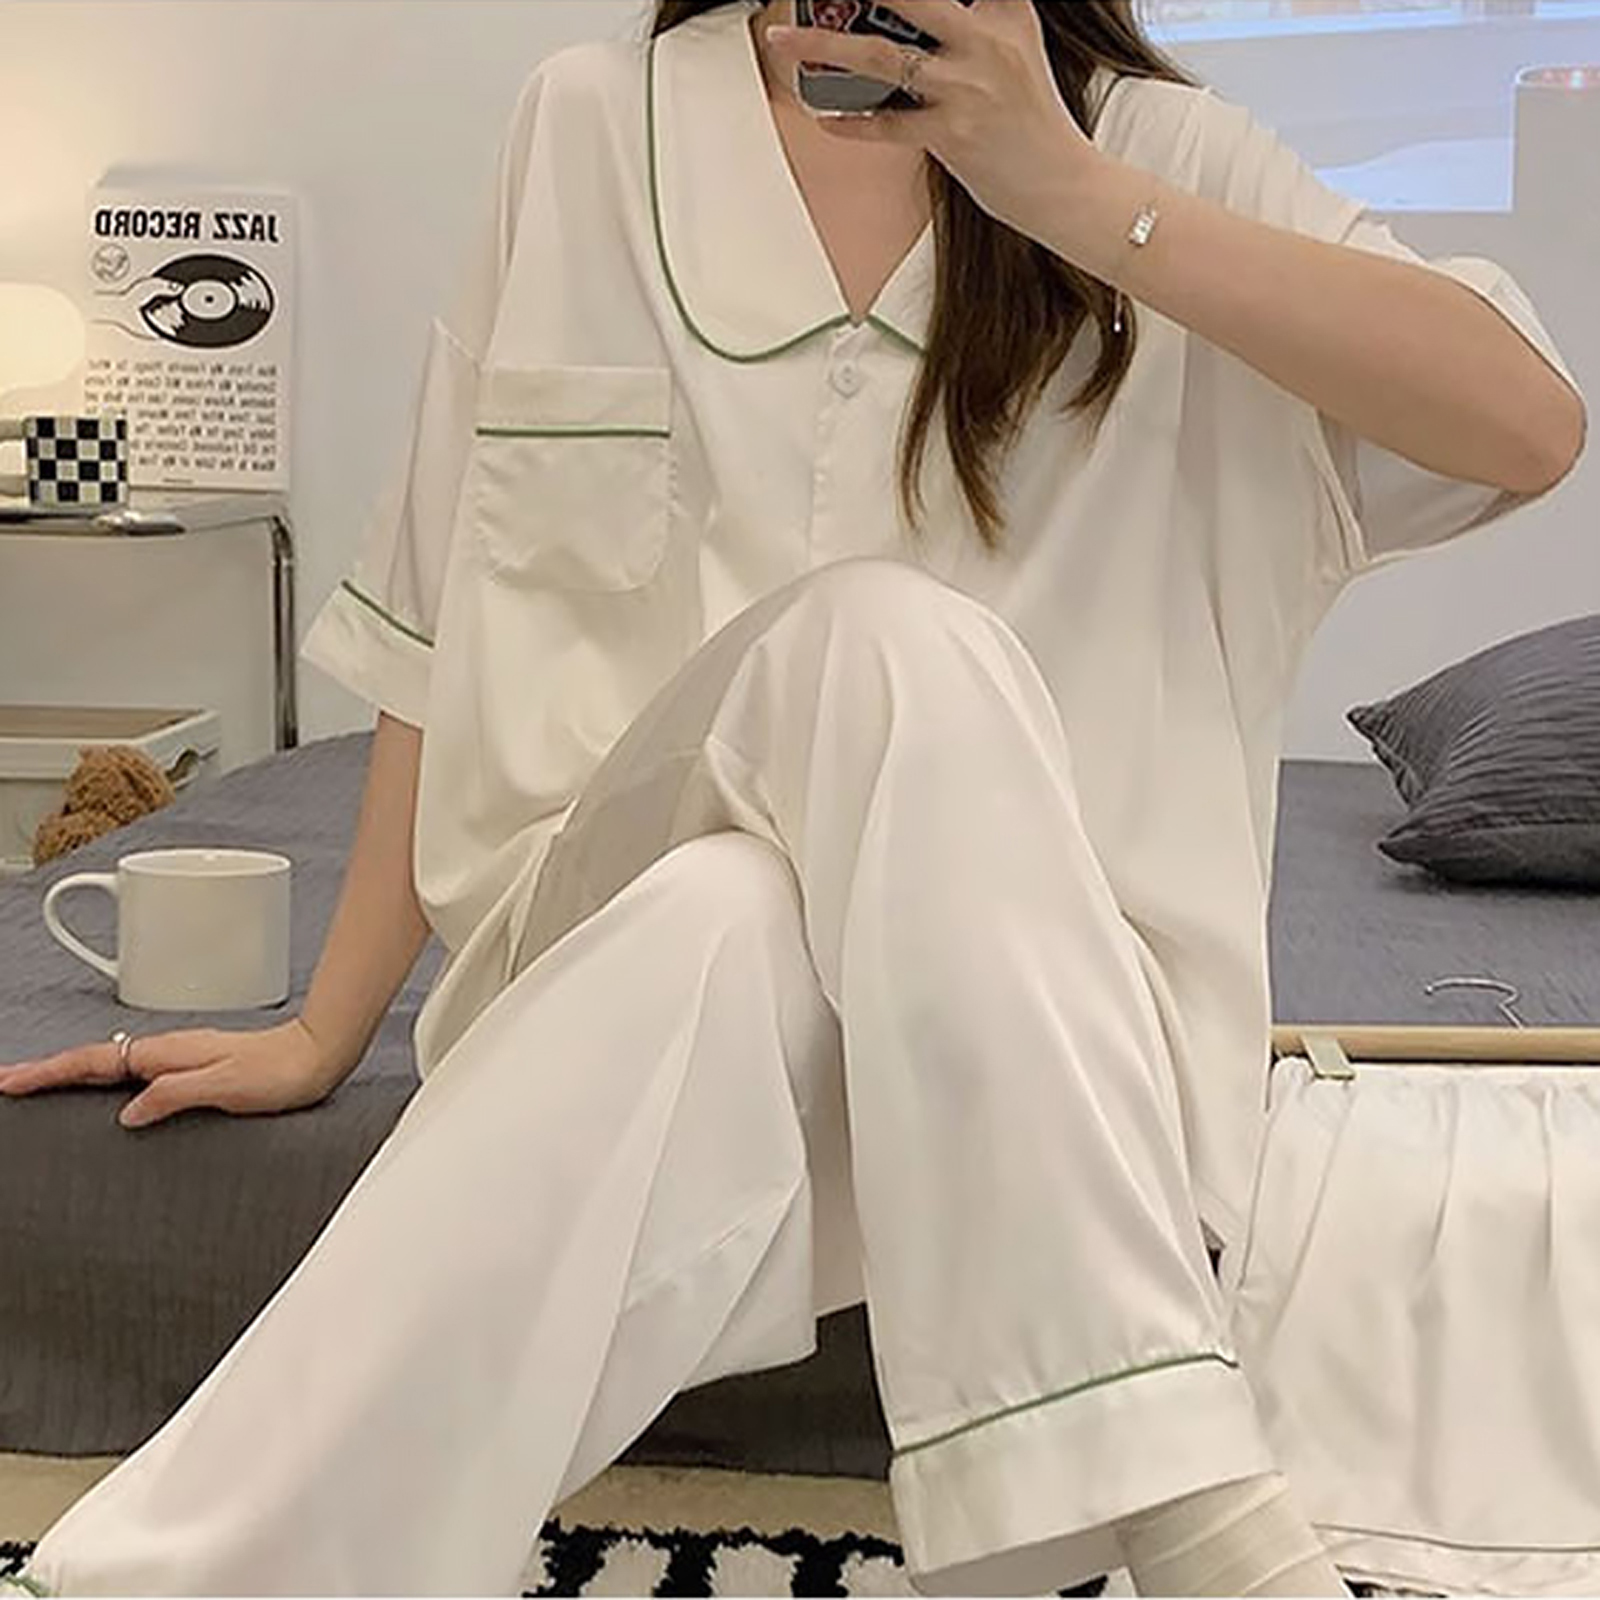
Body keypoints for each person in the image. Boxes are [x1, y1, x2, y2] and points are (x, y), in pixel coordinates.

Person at [2, 1, 1585, 1594]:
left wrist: (1069, 194)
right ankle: (1188, 1505)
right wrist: (323, 1030)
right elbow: (439, 613)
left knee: (743, 905)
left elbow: (1525, 426)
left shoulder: (1149, 152)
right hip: (581, 944)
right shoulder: (591, 126)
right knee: (879, 648)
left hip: (1047, 1043)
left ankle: (145, 1579)